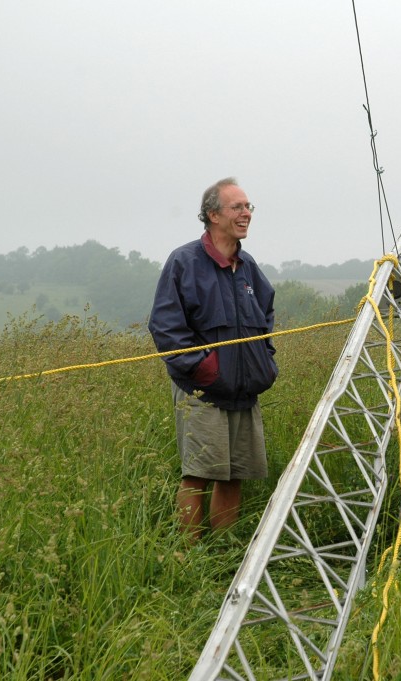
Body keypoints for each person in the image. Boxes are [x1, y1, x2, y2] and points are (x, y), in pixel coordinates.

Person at [148, 177, 278, 541]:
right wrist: (202, 369)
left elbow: (266, 318)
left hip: (244, 389)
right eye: (237, 207)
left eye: (249, 207)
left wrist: (265, 364)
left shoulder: (249, 267)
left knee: (235, 474)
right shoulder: (184, 262)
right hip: (202, 392)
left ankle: (224, 554)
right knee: (199, 474)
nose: (246, 214)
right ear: (212, 215)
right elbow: (165, 326)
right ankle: (191, 560)